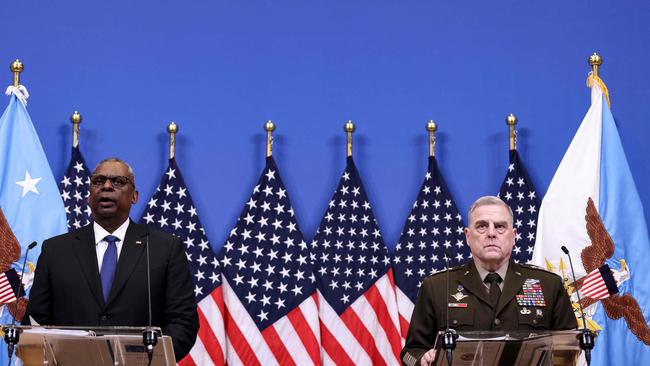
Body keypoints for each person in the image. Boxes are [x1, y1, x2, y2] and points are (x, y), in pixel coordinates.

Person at [27, 157, 199, 361]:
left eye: (117, 181)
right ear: (89, 196)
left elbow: (183, 323)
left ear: (134, 196)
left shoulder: (165, 249)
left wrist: (146, 360)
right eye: (98, 181)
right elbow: (36, 322)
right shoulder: (55, 250)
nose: (106, 186)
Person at [401, 196, 577, 366]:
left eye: (500, 226)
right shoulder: (437, 286)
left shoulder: (548, 285)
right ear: (467, 236)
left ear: (514, 236)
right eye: (482, 226)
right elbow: (410, 353)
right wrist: (422, 359)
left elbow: (570, 348)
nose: (491, 233)